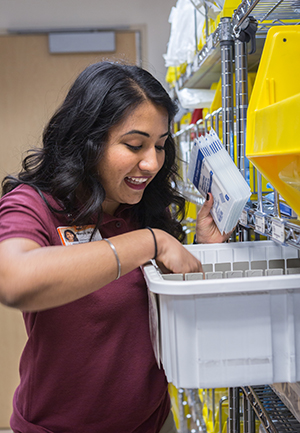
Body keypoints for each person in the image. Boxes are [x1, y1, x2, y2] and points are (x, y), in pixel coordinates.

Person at [0, 61, 230, 433]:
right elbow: (14, 281)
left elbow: (174, 323)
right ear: (87, 140)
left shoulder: (143, 206)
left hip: (153, 422)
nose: (152, 162)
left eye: (160, 145)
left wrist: (205, 252)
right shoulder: (34, 205)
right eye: (134, 144)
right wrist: (147, 242)